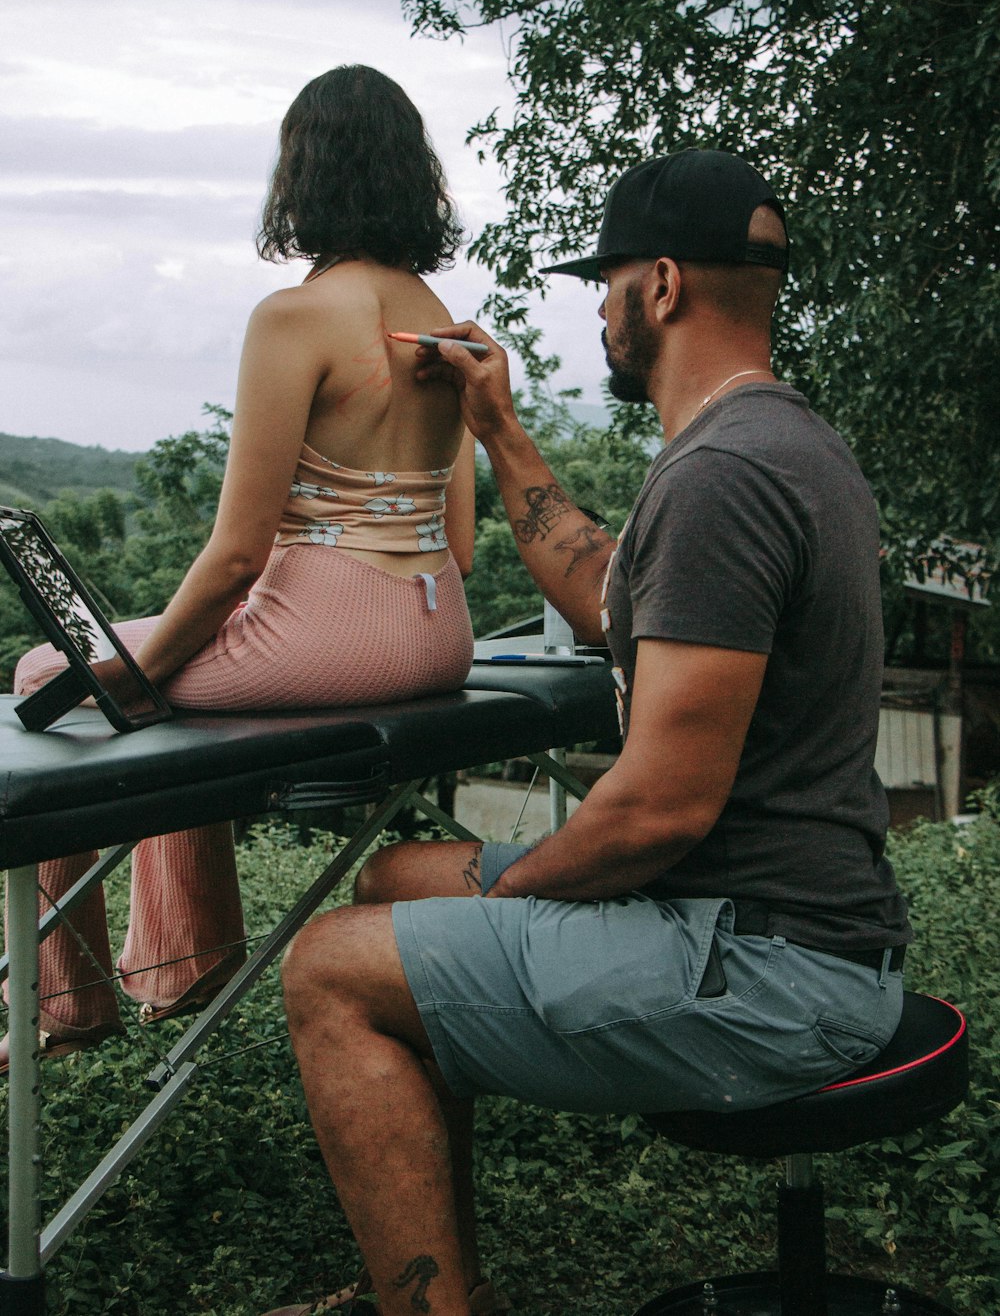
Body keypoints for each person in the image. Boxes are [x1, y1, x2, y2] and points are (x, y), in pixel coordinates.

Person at [262, 148, 913, 1316]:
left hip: (770, 965)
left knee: (328, 970)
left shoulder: (722, 477)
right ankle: (440, 1276)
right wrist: (498, 430)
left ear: (658, 286)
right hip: (777, 919)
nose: (599, 315)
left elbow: (659, 809)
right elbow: (613, 593)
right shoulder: (779, 442)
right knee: (398, 879)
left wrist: (510, 904)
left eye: (603, 285)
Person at [1, 65, 476, 1075]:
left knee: (55, 674)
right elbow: (463, 546)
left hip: (333, 632)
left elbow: (234, 558)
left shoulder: (294, 318)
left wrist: (141, 668)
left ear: (300, 175)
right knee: (179, 673)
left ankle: (69, 999)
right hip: (438, 632)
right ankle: (185, 960)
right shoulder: (447, 325)